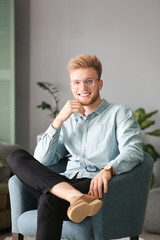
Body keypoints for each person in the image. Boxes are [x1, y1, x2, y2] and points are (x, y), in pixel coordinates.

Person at [7, 54, 144, 240]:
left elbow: (133, 151)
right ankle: (74, 197)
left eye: (89, 81)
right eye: (77, 82)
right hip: (65, 181)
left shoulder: (120, 113)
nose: (83, 88)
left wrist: (108, 169)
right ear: (71, 86)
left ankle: (75, 196)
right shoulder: (68, 119)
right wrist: (59, 120)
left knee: (48, 200)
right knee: (16, 156)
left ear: (100, 84)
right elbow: (42, 160)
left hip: (94, 186)